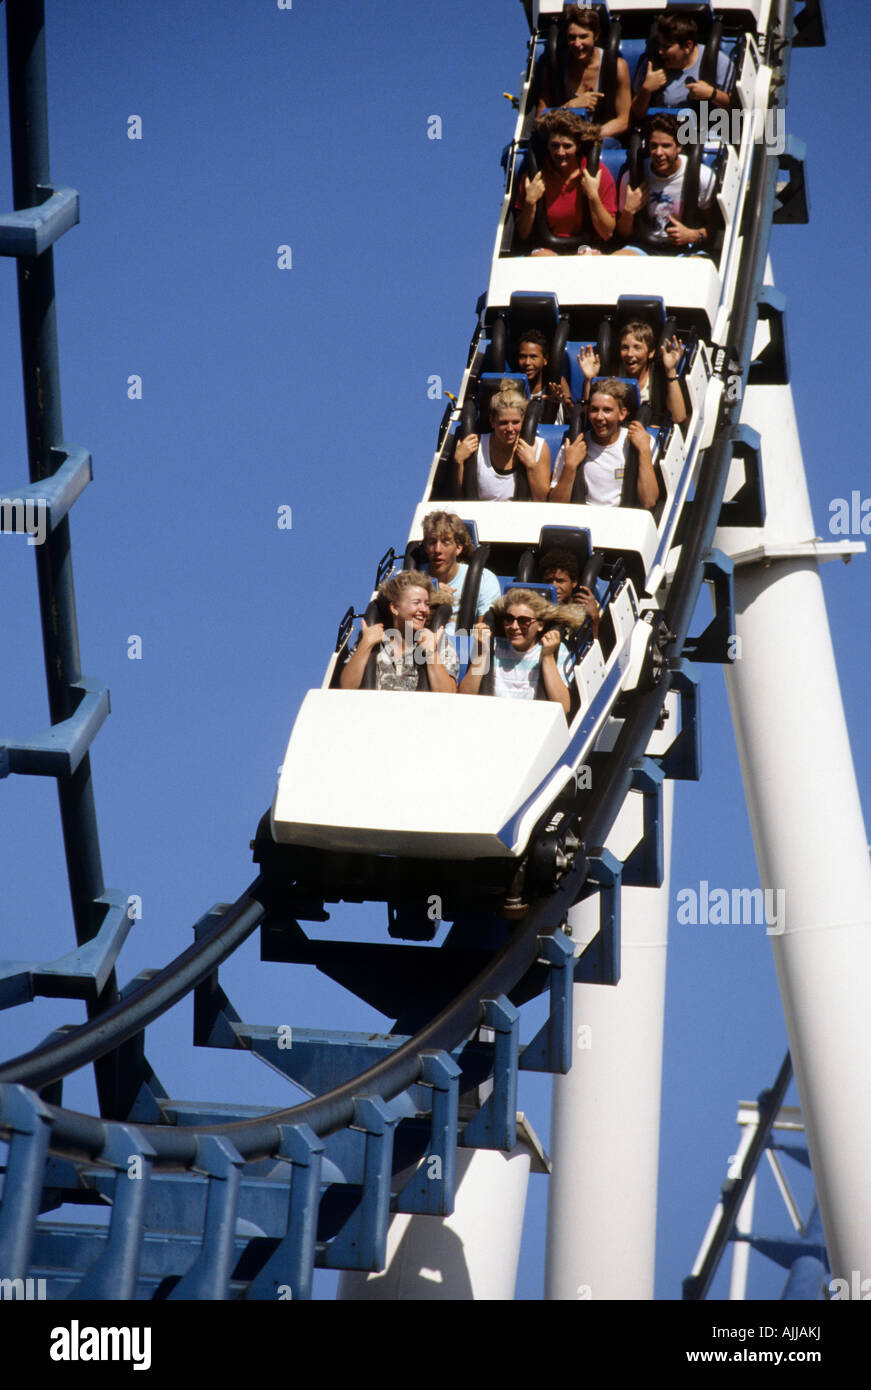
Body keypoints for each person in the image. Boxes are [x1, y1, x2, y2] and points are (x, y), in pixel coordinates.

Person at [460, 587, 587, 717]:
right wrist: (482, 654)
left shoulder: (556, 650)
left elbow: (564, 707)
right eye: (509, 619)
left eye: (524, 621)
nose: (514, 627)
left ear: (540, 625)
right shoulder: (492, 646)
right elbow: (465, 697)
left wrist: (548, 657)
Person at [514, 110, 616, 254]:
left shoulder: (598, 174)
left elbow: (607, 233)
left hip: (586, 248)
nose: (560, 153)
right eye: (555, 146)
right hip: (548, 249)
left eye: (567, 146)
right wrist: (530, 201)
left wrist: (593, 195)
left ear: (578, 146)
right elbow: (523, 233)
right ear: (547, 146)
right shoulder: (533, 178)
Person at [339, 570, 458, 693]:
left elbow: (448, 695)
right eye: (416, 603)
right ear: (395, 608)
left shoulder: (437, 641)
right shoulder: (372, 638)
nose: (424, 609)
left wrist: (431, 653)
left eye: (427, 604)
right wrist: (365, 644)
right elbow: (346, 687)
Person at [549, 378, 659, 508]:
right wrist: (570, 466)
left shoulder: (641, 441)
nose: (599, 417)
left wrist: (644, 450)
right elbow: (555, 505)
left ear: (622, 414)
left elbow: (649, 501)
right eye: (594, 410)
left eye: (607, 410)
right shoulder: (573, 446)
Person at [616, 114, 716, 253]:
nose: (658, 153)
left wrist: (693, 235)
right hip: (645, 246)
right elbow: (623, 234)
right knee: (618, 259)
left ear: (679, 147)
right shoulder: (632, 177)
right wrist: (628, 211)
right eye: (654, 146)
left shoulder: (702, 177)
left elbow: (714, 228)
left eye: (666, 146)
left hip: (686, 248)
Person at [536, 5, 631, 143]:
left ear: (596, 36)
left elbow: (624, 121)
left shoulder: (617, 67)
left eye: (583, 37)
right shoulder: (554, 68)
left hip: (601, 140)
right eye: (572, 38)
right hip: (564, 142)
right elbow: (540, 118)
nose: (577, 44)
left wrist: (592, 135)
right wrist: (568, 108)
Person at [453, 380, 551, 500]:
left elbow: (543, 501)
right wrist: (458, 462)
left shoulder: (538, 447)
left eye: (515, 422)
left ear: (523, 420)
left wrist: (531, 466)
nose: (510, 429)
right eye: (503, 423)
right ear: (492, 421)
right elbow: (459, 499)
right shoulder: (475, 446)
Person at [577, 318, 687, 425]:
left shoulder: (659, 375)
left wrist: (670, 370)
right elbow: (589, 418)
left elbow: (679, 418)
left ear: (651, 352)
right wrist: (589, 379)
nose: (630, 354)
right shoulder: (612, 373)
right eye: (625, 347)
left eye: (637, 348)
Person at [630, 12, 732, 122]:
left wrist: (712, 94)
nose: (660, 51)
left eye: (666, 47)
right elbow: (636, 116)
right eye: (659, 45)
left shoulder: (718, 62)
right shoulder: (651, 64)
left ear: (688, 46)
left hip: (702, 132)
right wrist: (646, 90)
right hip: (661, 130)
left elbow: (737, 110)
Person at [419, 511, 501, 627]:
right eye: (432, 542)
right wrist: (430, 591)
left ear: (458, 548)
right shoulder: (411, 579)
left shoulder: (484, 580)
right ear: (426, 547)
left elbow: (485, 633)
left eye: (445, 542)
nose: (437, 550)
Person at [538, 546, 600, 637]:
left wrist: (594, 619)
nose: (553, 586)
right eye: (548, 581)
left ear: (574, 582)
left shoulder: (590, 605)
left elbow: (600, 647)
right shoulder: (536, 606)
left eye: (560, 581)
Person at [516, 329, 573, 422]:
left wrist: (565, 402)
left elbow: (576, 418)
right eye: (522, 357)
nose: (527, 362)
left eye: (533, 357)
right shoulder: (513, 385)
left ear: (545, 359)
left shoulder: (557, 382)